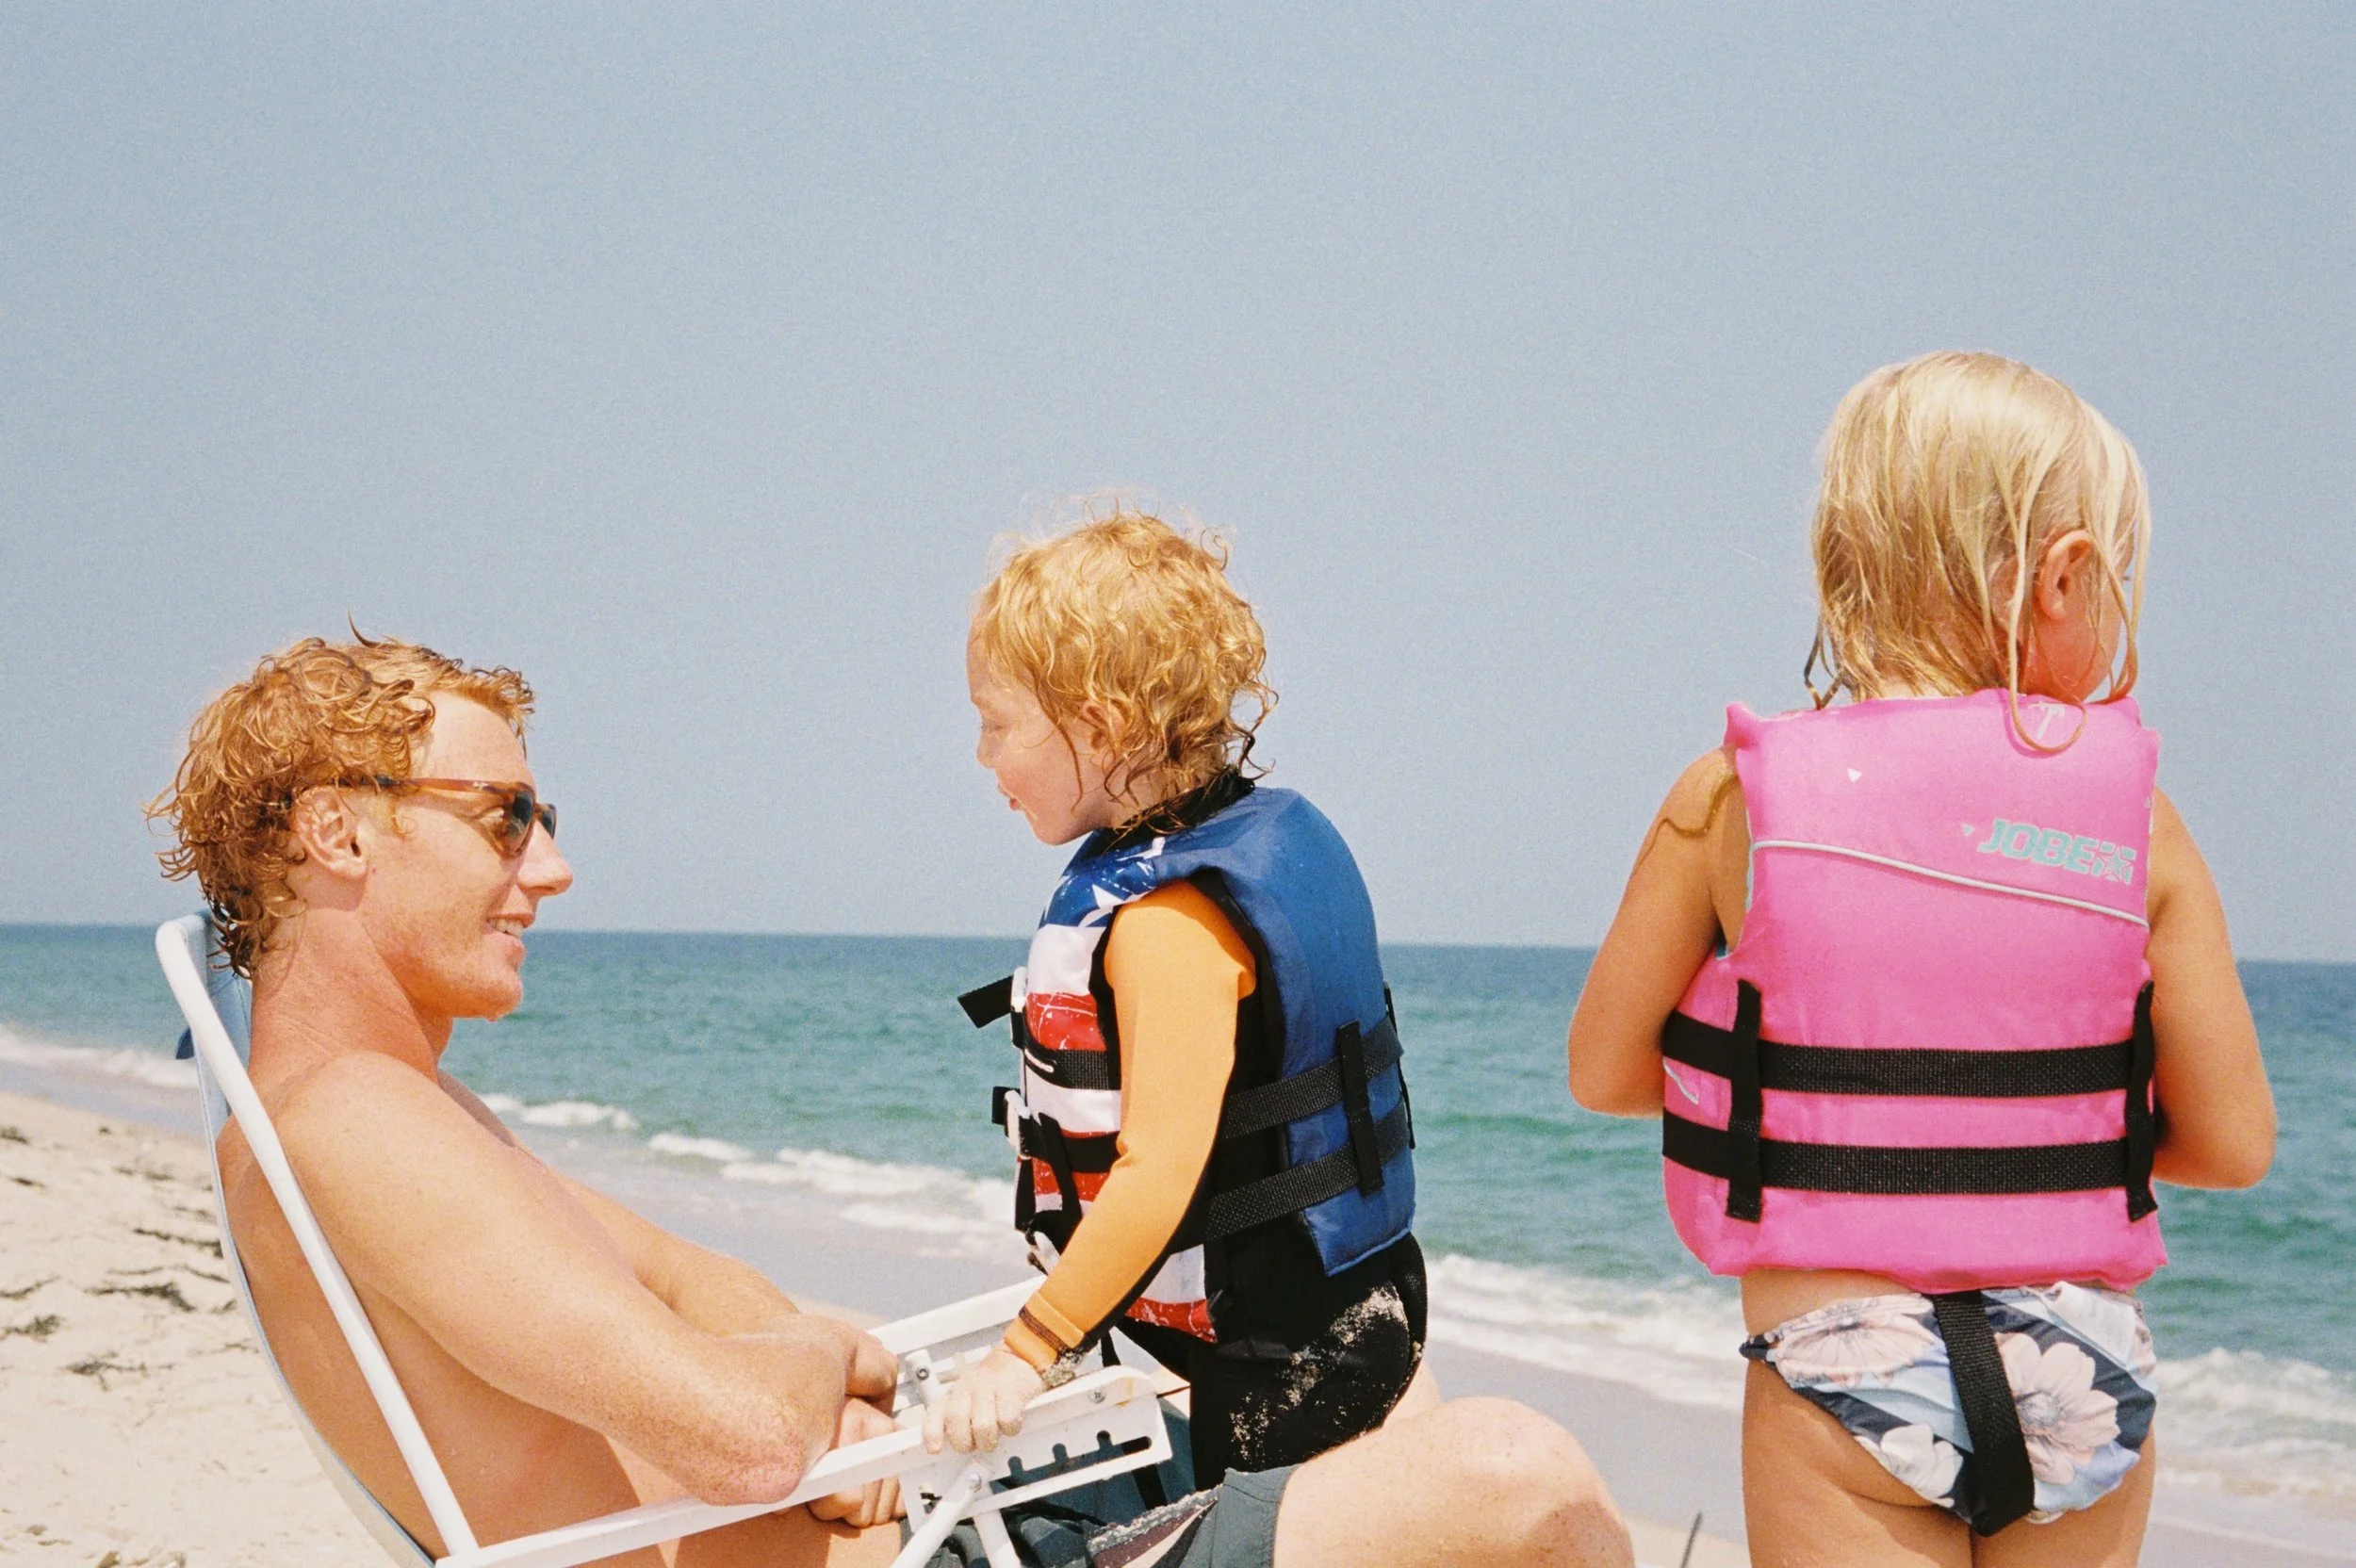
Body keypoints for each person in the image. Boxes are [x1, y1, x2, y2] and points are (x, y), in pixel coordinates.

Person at [154, 632, 1635, 1568]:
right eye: (507, 818)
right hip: (939, 1554)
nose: (549, 868)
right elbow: (740, 1433)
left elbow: (714, 1295)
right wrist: (798, 1385)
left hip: (929, 1522)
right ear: (339, 832)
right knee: (1523, 1478)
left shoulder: (393, 1118)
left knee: (1399, 1396)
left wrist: (807, 1382)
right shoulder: (352, 1128)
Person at [1566, 351, 2276, 1567]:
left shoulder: (1733, 799)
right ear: (2064, 579)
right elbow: (2233, 1143)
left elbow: (1601, 1069)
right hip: (2081, 1376)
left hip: (1843, 1370)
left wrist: (1791, 1109)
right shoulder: (2140, 821)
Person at [941, 514, 1428, 1491]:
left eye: (996, 720)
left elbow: (1157, 1171)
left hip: (1289, 1351)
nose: (981, 752)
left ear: (1103, 722)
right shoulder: (1243, 841)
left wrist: (1028, 1347)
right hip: (1341, 1300)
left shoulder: (1169, 921)